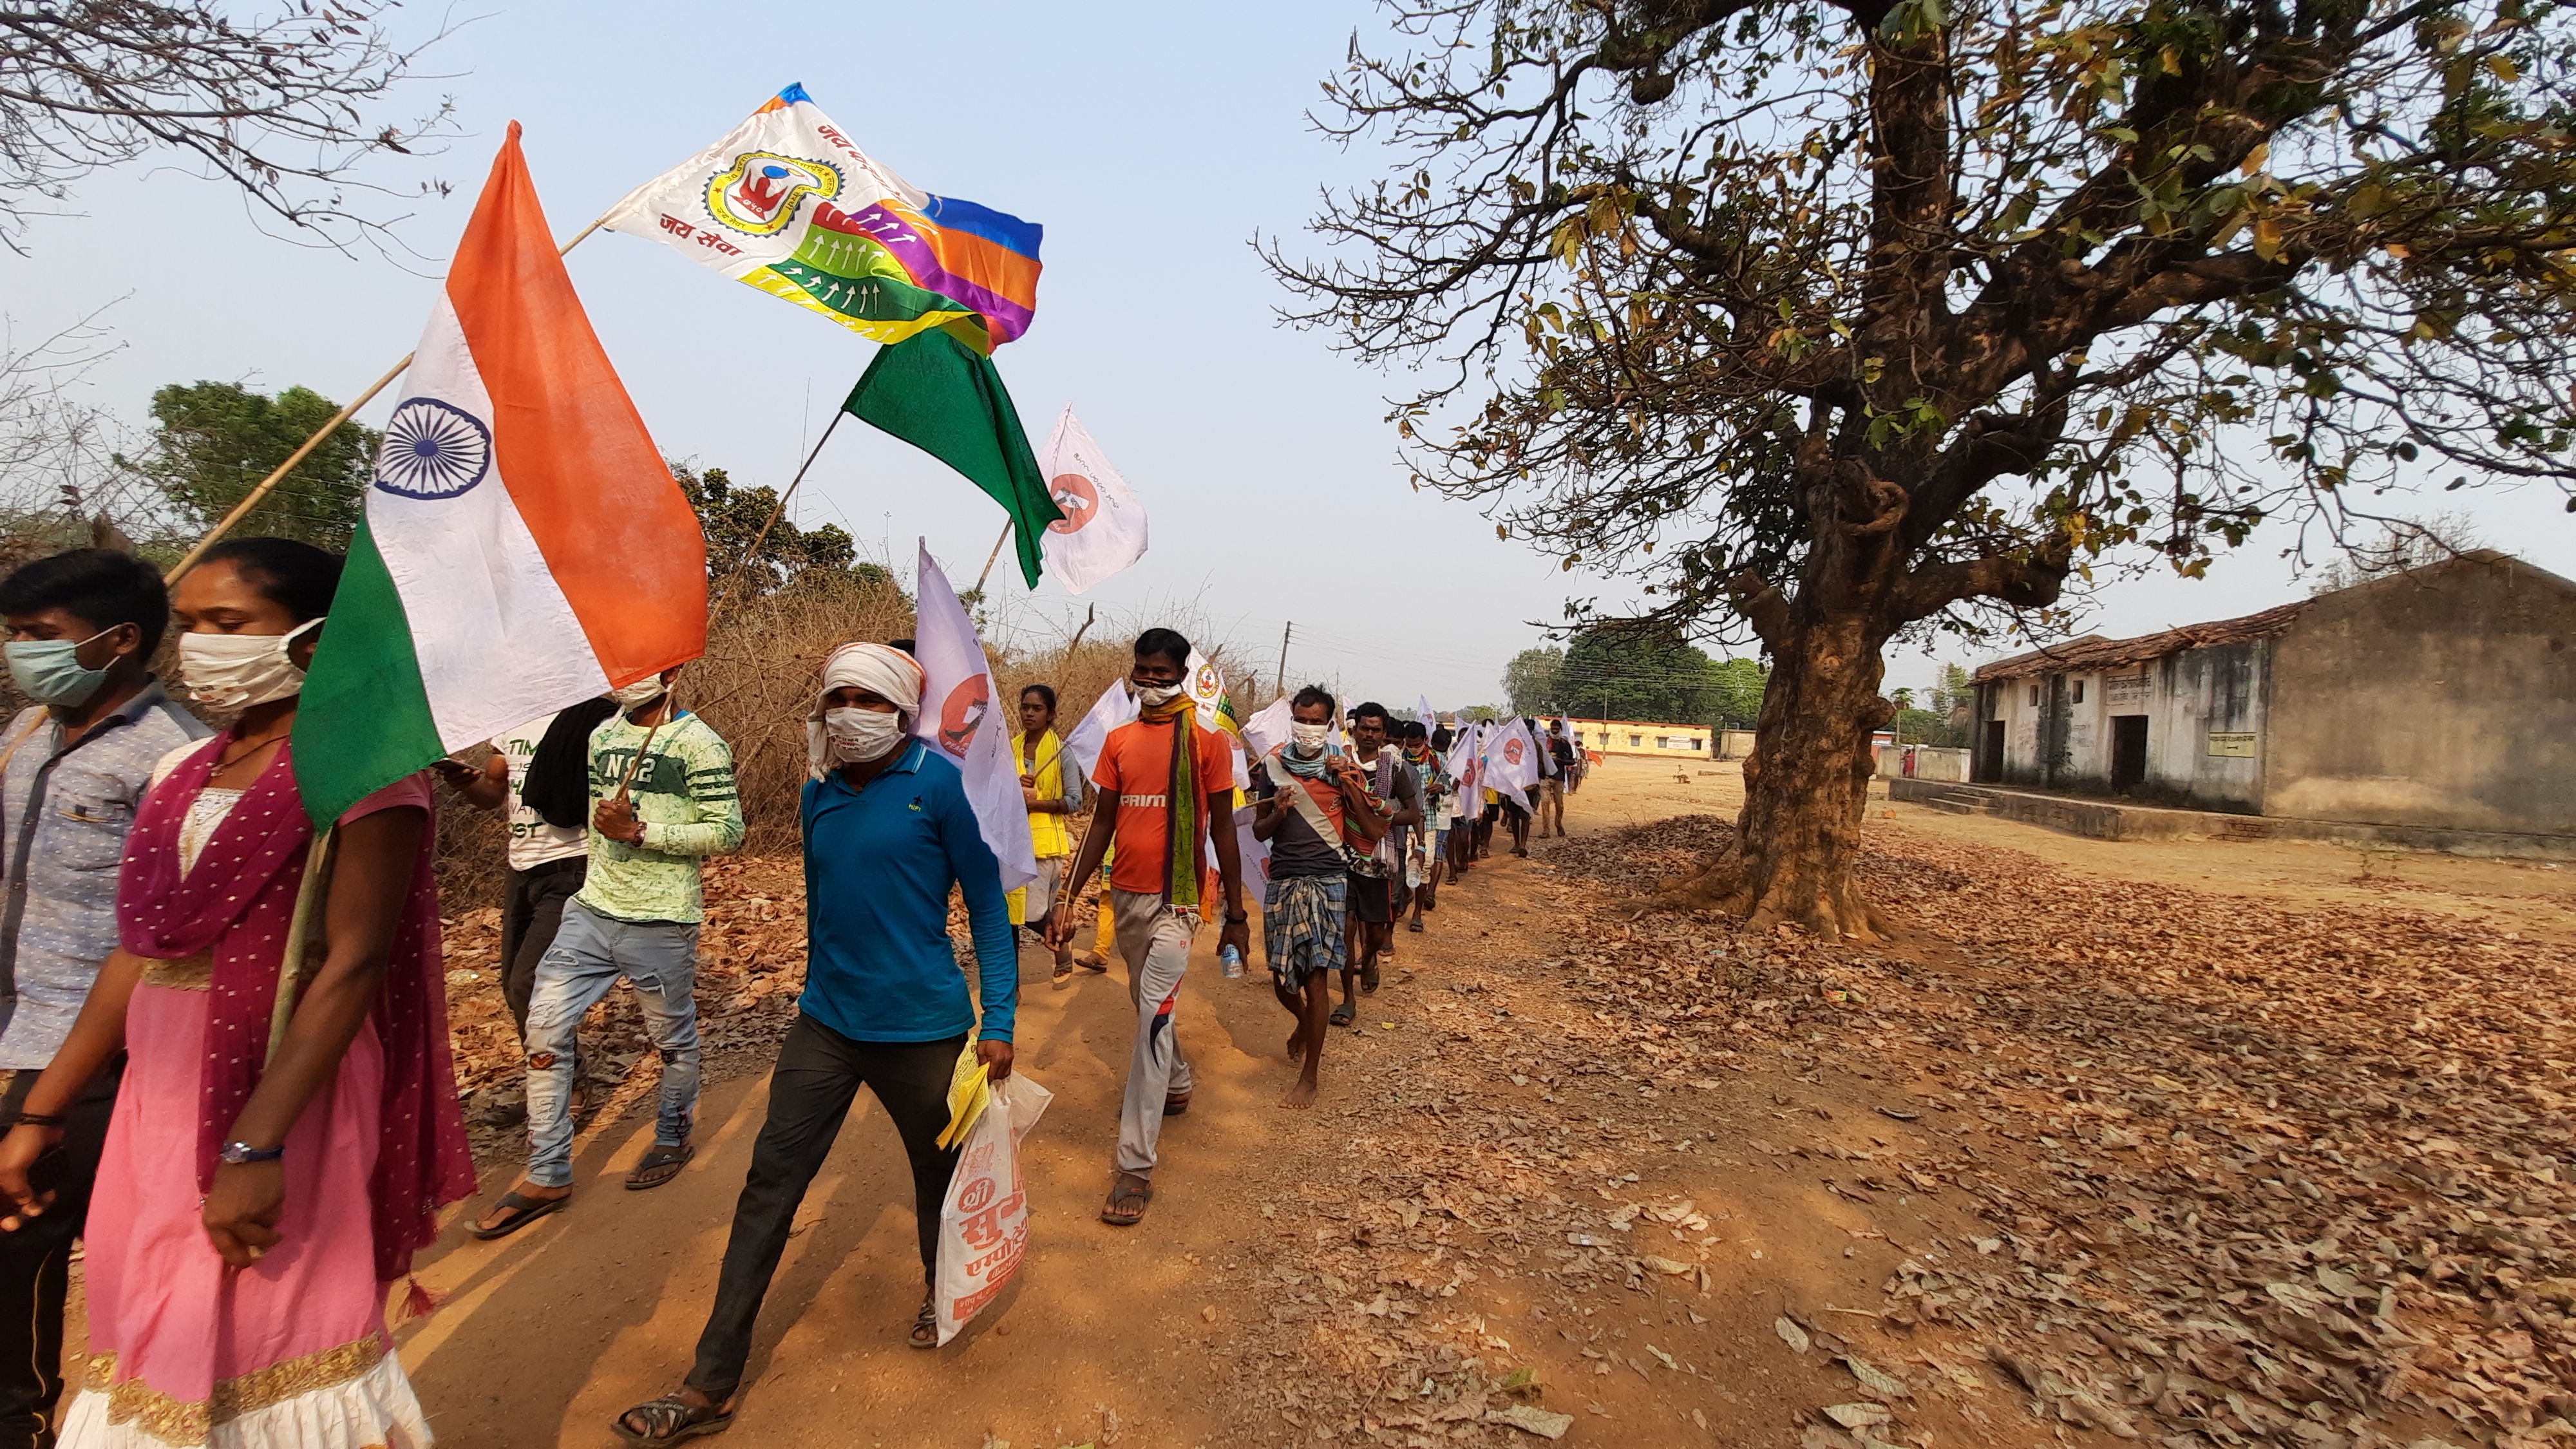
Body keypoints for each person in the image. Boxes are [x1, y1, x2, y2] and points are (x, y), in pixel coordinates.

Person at [0, 537, 474, 1448]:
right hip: (161, 1086)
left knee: (268, 1322)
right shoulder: (181, 772)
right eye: (191, 626)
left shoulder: (364, 773)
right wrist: (42, 1106)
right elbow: (140, 950)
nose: (201, 647)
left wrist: (257, 1143)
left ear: (314, 639)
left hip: (290, 1084)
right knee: (150, 1297)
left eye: (229, 624)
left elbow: (352, 963)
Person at [613, 644, 1017, 1443]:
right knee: (769, 1187)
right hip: (825, 1027)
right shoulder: (817, 797)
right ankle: (710, 1382)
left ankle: (944, 1296)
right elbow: (821, 905)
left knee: (938, 1180)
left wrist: (998, 1022)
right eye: (836, 696)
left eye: (866, 698)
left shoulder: (945, 790)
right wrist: (814, 989)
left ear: (901, 709)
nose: (847, 713)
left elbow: (990, 913)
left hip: (923, 1032)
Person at [0, 549, 208, 1449]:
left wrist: (51, 1096)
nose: (20, 652)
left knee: (25, 1238)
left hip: (91, 1045)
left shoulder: (177, 756)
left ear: (117, 641)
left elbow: (164, 935)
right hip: (13, 1025)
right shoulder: (22, 732)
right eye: (12, 635)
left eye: (39, 637)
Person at [473, 665, 743, 1238]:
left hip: (662, 918)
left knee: (672, 1040)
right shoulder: (601, 734)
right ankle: (547, 1170)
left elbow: (728, 831)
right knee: (544, 1028)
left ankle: (671, 1136)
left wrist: (641, 832)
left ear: (671, 672)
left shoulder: (699, 742)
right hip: (591, 908)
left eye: (643, 664)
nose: (626, 676)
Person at [1045, 630, 1247, 1228]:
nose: (1151, 682)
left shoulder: (1208, 745)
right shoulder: (1118, 742)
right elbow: (1103, 821)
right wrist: (1068, 897)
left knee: (1152, 1015)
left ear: (1182, 674)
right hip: (1127, 895)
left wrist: (1236, 913)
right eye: (1143, 671)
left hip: (1180, 902)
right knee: (1145, 1004)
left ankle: (1135, 1163)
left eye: (1162, 673)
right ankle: (1179, 1079)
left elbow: (1225, 832)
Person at [434, 697, 616, 1125]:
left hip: (573, 862)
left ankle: (566, 1085)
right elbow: (491, 795)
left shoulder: (592, 719)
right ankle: (547, 1085)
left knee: (530, 981)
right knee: (513, 983)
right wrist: (464, 781)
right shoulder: (511, 720)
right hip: (521, 867)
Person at [1251, 688, 1385, 1109]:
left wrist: (1347, 785)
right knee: (1281, 978)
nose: (1308, 728)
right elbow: (1259, 831)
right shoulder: (1273, 766)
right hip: (1285, 879)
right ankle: (1304, 1022)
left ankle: (1310, 1077)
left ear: (1329, 725)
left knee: (1315, 977)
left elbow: (1374, 829)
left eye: (1316, 721)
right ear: (1292, 719)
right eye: (1301, 720)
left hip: (1329, 880)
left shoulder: (1343, 766)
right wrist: (1279, 812)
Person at [1337, 704, 1419, 1015]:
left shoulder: (1394, 768)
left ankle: (1369, 958)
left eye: (1376, 730)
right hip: (1342, 860)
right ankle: (1347, 998)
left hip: (1379, 862)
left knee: (1373, 933)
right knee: (1345, 930)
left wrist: (1379, 819)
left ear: (1384, 734)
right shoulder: (1340, 764)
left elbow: (1413, 813)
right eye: (1364, 728)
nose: (1369, 735)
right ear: (1354, 729)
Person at [1011, 685, 1086, 985]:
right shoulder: (1010, 747)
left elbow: (1075, 801)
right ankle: (1009, 985)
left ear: (1051, 714)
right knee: (1009, 917)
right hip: (1011, 846)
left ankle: (1060, 942)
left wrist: (1035, 803)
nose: (1029, 713)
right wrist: (1013, 787)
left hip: (1045, 847)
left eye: (1037, 708)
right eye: (1025, 707)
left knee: (1030, 915)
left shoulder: (1061, 752)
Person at [1401, 721, 1450, 934]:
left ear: (1425, 741)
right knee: (1402, 866)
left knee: (1424, 866)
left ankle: (1417, 914)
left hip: (1428, 820)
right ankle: (1405, 894)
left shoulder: (1437, 760)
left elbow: (1450, 784)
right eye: (1409, 744)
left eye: (1417, 744)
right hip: (1401, 821)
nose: (1413, 748)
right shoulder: (1398, 759)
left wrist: (1441, 787)